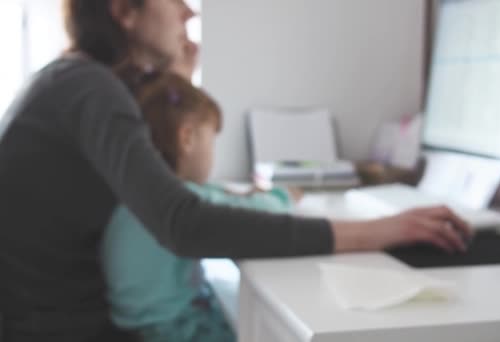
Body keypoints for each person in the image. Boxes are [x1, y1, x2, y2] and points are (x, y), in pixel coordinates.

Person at [0, 0, 471, 341]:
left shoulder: (74, 83)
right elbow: (184, 223)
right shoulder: (88, 89)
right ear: (124, 10)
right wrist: (373, 232)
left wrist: (178, 78)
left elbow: (157, 158)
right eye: (175, 1)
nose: (189, 13)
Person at [103, 70, 295, 342]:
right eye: (211, 140)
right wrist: (283, 197)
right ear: (188, 138)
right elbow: (256, 215)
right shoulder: (182, 201)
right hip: (172, 329)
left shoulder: (136, 194)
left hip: (132, 326)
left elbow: (214, 195)